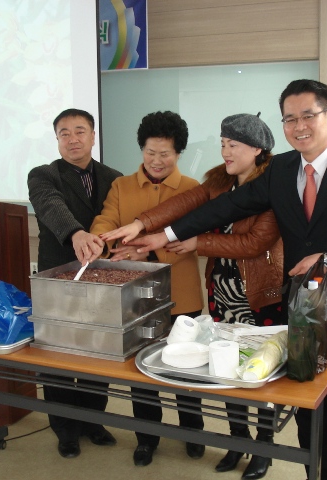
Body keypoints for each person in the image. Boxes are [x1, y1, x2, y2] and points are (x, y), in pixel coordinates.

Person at [104, 80, 327, 480]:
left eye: (308, 116)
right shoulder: (282, 169)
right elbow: (226, 206)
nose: (299, 126)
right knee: (309, 409)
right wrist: (163, 234)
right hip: (303, 314)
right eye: (290, 119)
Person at [100, 113, 284, 480]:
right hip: (222, 291)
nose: (225, 151)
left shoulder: (271, 186)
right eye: (223, 143)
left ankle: (263, 449)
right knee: (225, 369)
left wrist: (198, 242)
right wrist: (141, 224)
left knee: (260, 374)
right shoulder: (219, 182)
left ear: (257, 150)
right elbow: (183, 204)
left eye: (233, 145)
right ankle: (238, 441)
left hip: (258, 294)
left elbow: (255, 243)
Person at [85, 110, 205, 467]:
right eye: (150, 152)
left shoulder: (192, 189)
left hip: (182, 294)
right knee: (142, 372)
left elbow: (194, 241)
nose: (156, 160)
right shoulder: (121, 186)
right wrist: (101, 239)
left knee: (187, 369)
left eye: (165, 153)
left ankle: (193, 432)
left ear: (178, 153)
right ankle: (146, 439)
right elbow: (106, 219)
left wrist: (150, 251)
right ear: (142, 150)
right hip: (135, 297)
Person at [27, 108, 123, 459]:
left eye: (80, 131)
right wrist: (77, 233)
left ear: (93, 136)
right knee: (58, 353)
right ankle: (65, 428)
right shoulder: (43, 175)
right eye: (64, 133)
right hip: (58, 278)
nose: (72, 139)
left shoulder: (114, 178)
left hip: (101, 279)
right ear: (57, 140)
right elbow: (51, 206)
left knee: (98, 351)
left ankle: (93, 421)